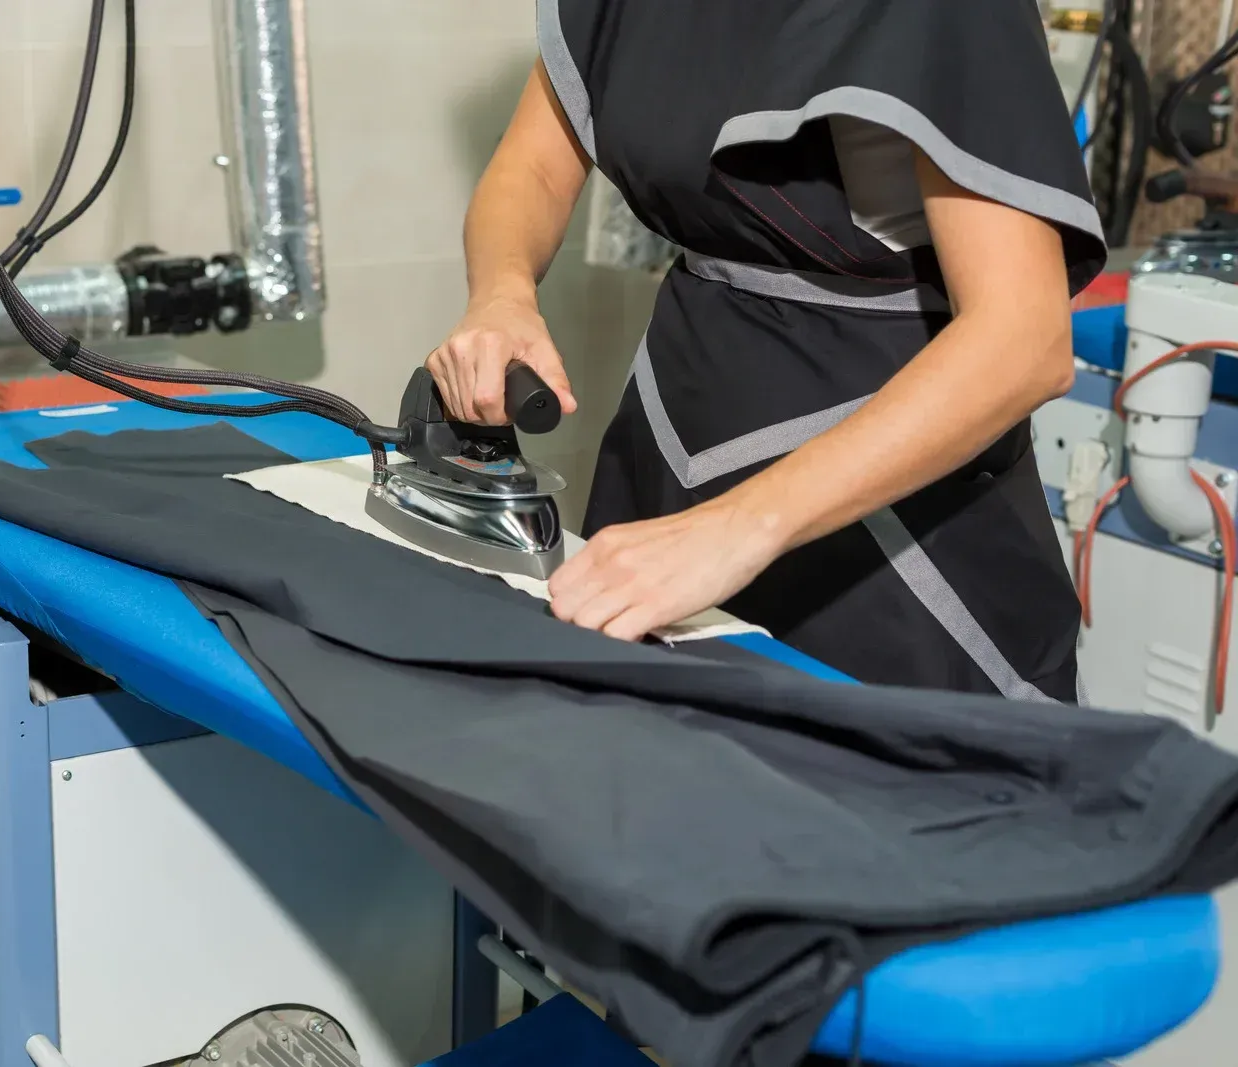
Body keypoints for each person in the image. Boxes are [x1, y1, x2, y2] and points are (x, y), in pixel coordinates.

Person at [426, 0, 1106, 701]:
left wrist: (734, 531)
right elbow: (534, 169)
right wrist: (501, 294)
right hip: (674, 424)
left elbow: (1024, 340)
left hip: (891, 502)